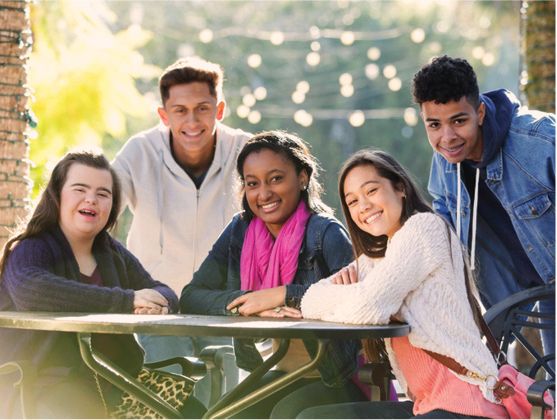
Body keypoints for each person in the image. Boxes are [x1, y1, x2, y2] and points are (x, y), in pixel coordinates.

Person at [292, 149, 509, 419]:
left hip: (467, 405)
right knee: (305, 415)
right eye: (352, 201)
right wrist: (342, 295)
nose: (363, 206)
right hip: (426, 406)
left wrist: (334, 297)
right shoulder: (379, 257)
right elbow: (319, 294)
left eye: (371, 191)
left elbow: (367, 308)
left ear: (400, 188)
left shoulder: (424, 228)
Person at [0, 151, 202, 418]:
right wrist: (126, 300)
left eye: (103, 193)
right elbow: (32, 291)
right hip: (43, 382)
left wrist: (155, 302)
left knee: (200, 413)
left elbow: (163, 292)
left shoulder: (111, 252)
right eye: (80, 189)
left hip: (117, 382)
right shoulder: (31, 248)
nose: (91, 199)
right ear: (57, 195)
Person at [180, 131, 366, 418]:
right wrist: (251, 302)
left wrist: (287, 299)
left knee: (284, 414)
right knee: (224, 414)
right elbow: (192, 297)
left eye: (276, 179)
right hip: (277, 370)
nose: (263, 193)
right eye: (252, 183)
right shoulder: (239, 231)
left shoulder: (325, 234)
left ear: (302, 177)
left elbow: (361, 303)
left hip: (333, 377)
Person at [112, 57, 251, 380]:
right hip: (159, 310)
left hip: (225, 309)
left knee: (227, 405)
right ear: (164, 115)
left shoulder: (245, 151)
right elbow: (100, 209)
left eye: (203, 108)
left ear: (219, 109)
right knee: (173, 400)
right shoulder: (140, 152)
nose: (192, 121)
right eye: (180, 110)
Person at [412, 55, 555, 359]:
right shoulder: (444, 164)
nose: (447, 137)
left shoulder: (541, 141)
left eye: (458, 121)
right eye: (434, 125)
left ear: (478, 113)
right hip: (525, 300)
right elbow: (443, 238)